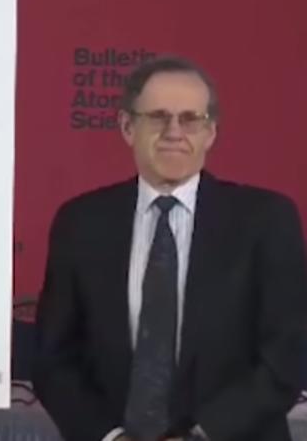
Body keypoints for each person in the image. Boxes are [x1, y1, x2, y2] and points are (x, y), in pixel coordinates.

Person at [33, 56, 307, 441]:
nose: (174, 132)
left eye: (191, 119)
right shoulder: (81, 222)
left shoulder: (266, 220)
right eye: (158, 117)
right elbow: (54, 359)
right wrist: (111, 437)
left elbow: (286, 357)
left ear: (210, 133)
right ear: (127, 127)